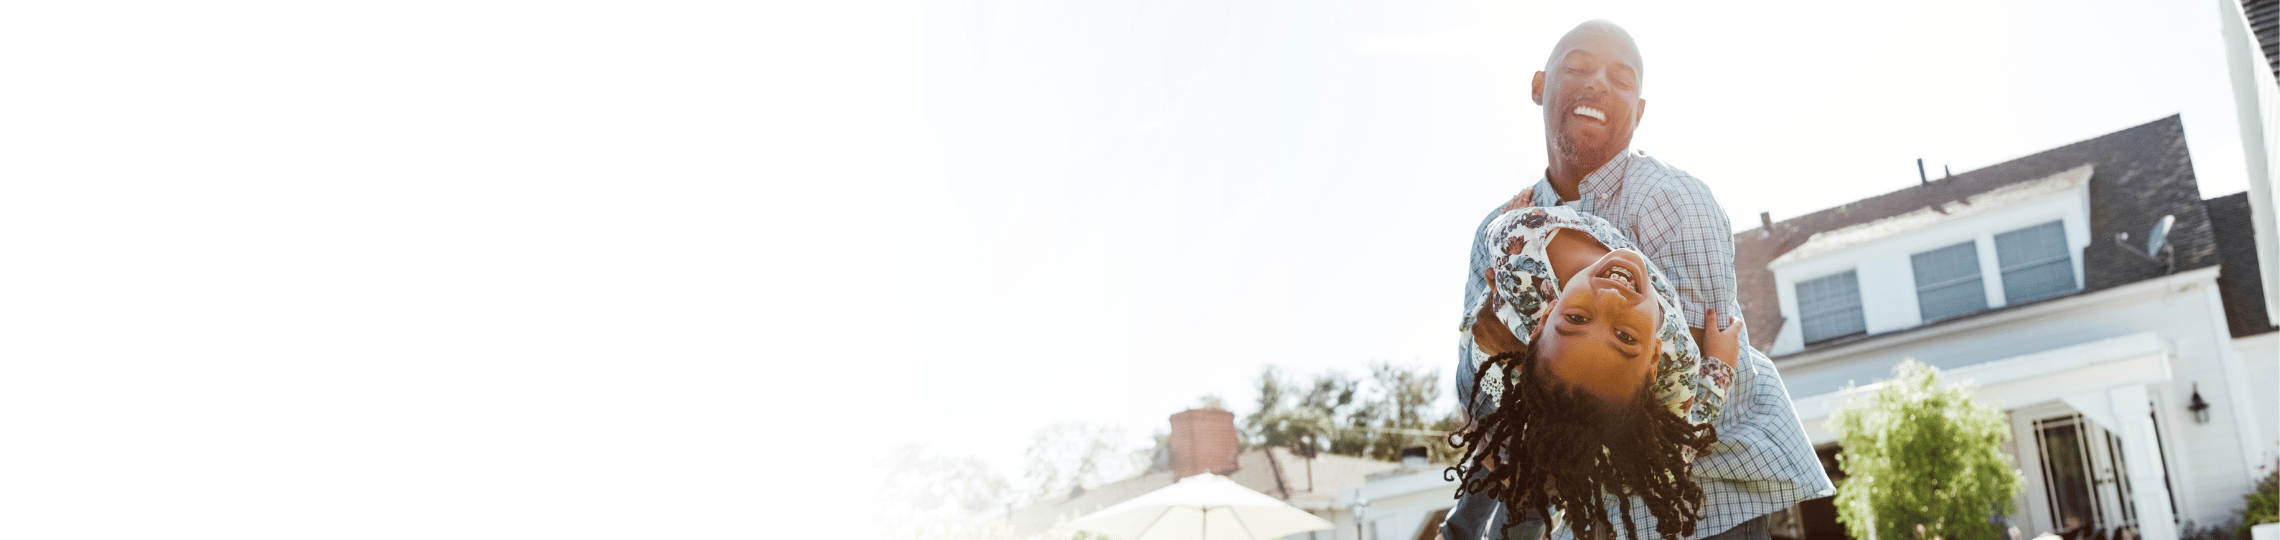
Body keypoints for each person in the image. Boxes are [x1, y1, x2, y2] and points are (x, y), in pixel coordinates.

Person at [1445, 19, 1833, 540]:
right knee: (1506, 473)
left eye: (1621, 78)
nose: (1599, 82)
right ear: (1540, 86)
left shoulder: (1673, 202)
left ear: (1640, 111)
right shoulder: (1505, 232)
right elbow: (1480, 387)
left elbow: (1687, 398)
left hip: (1706, 500)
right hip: (1582, 497)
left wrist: (1511, 350)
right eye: (1579, 67)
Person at [1452, 205, 1740, 540]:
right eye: (1625, 337)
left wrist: (1503, 248)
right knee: (1521, 477)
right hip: (1495, 390)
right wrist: (1721, 367)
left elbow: (1484, 322)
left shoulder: (1519, 243)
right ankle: (1466, 528)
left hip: (1507, 369)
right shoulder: (1677, 362)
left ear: (1544, 320)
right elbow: (1674, 460)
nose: (1610, 297)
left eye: (1576, 318)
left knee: (1529, 481)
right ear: (1653, 361)